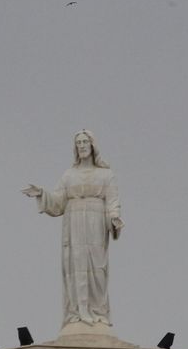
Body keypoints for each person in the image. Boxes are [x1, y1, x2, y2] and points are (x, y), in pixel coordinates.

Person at [22, 130, 123, 329]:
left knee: (97, 268)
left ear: (93, 145)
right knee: (76, 266)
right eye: (79, 143)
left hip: (96, 221)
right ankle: (79, 311)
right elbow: (58, 202)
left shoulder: (106, 174)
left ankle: (98, 311)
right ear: (75, 148)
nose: (82, 145)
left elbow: (113, 200)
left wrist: (115, 218)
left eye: (86, 142)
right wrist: (42, 194)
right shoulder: (69, 175)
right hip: (74, 220)